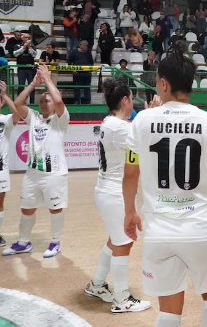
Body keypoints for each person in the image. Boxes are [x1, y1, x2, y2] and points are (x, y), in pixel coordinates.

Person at [122, 41, 207, 327]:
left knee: (168, 313)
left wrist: (130, 212)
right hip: (201, 228)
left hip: (159, 231)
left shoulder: (141, 121)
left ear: (163, 83)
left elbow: (130, 173)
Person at [84, 78, 151, 314]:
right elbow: (145, 143)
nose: (134, 102)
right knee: (124, 243)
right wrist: (150, 116)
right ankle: (122, 299)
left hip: (107, 190)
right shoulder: (120, 128)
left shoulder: (111, 122)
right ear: (125, 100)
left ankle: (96, 284)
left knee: (115, 240)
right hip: (114, 193)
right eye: (132, 98)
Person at [2, 65, 69, 258]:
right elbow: (18, 103)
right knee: (26, 208)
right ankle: (24, 242)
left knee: (55, 209)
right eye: (40, 101)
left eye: (47, 100)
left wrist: (47, 79)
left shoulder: (60, 120)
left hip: (54, 173)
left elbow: (58, 100)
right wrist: (33, 83)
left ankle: (55, 242)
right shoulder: (33, 117)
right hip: (32, 174)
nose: (43, 103)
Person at [0, 81, 20, 247]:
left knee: (0, 204)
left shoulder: (5, 120)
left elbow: (17, 114)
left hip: (1, 170)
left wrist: (5, 95)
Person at [67, 40, 94, 104]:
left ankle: (87, 101)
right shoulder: (74, 52)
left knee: (87, 88)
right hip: (77, 73)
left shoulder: (88, 52)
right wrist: (72, 69)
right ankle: (77, 100)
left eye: (86, 46)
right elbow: (69, 61)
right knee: (77, 87)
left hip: (86, 73)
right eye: (84, 45)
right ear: (80, 45)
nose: (85, 47)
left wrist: (90, 70)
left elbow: (91, 62)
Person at [13, 34, 37, 104]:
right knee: (21, 86)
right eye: (26, 37)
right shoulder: (17, 46)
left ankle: (32, 103)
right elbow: (15, 54)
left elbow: (34, 55)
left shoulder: (32, 46)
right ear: (22, 38)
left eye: (28, 38)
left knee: (32, 86)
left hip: (30, 69)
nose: (27, 39)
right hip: (21, 68)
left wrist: (29, 47)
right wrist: (23, 47)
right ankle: (20, 102)